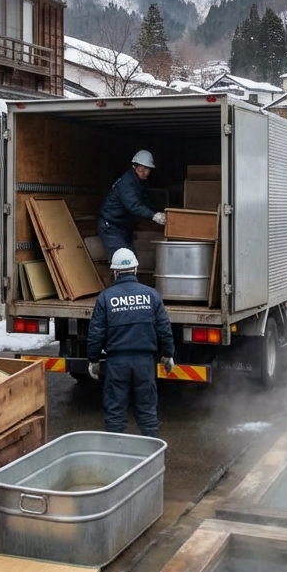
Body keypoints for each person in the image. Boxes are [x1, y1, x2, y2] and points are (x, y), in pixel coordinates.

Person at [86, 248, 175, 437]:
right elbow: (164, 328)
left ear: (115, 272)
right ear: (135, 269)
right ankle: (151, 455)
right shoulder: (151, 295)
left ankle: (117, 457)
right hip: (144, 363)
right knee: (147, 411)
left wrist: (93, 359)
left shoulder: (105, 298)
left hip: (117, 363)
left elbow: (96, 332)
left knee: (115, 413)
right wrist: (168, 354)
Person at [97, 150, 167, 259]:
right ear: (134, 167)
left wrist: (156, 212)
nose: (143, 172)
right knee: (123, 261)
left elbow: (144, 202)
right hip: (111, 226)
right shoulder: (127, 183)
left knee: (130, 261)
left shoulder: (139, 183)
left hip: (122, 227)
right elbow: (134, 206)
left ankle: (119, 276)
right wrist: (154, 216)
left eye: (147, 169)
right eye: (141, 168)